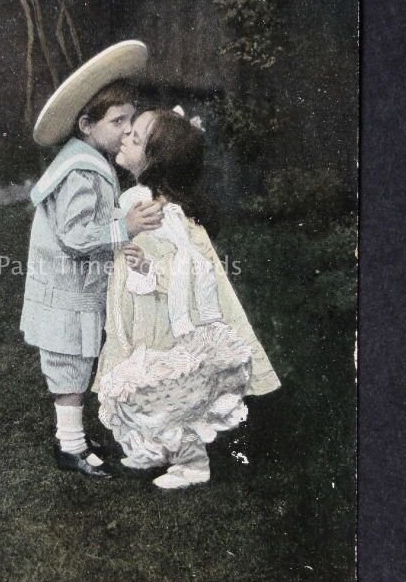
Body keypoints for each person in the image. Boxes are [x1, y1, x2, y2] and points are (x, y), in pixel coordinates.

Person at [93, 106, 281, 489]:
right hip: (141, 313)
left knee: (172, 387)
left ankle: (192, 462)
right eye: (128, 130)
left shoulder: (162, 215)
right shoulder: (140, 200)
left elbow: (186, 274)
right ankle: (153, 447)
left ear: (156, 160)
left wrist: (147, 269)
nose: (126, 135)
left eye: (137, 136)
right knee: (139, 385)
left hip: (164, 319)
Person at [20, 41, 164, 479]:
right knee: (69, 368)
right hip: (65, 291)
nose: (125, 130)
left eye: (129, 120)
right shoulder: (81, 170)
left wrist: (119, 220)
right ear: (86, 123)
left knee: (78, 364)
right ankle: (70, 448)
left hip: (74, 288)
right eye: (117, 121)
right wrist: (126, 227)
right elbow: (77, 234)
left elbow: (93, 221)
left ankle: (76, 439)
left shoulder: (86, 159)